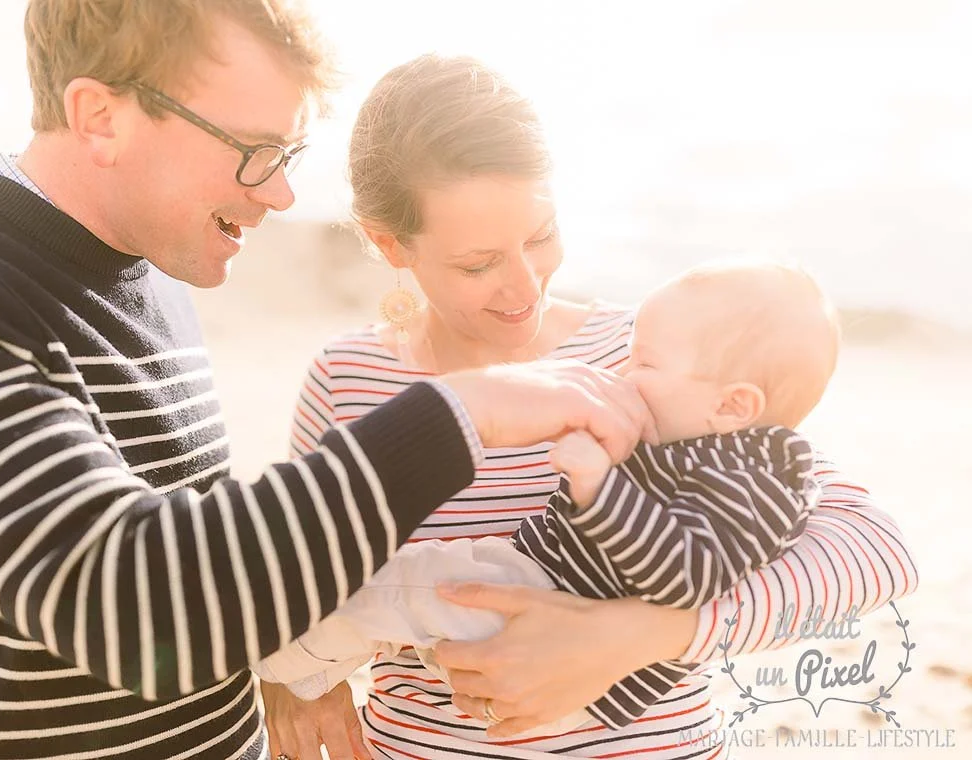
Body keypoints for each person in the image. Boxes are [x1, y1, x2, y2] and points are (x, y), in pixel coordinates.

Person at [0, 5, 657, 760]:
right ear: (101, 116)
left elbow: (225, 566)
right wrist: (459, 413)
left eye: (289, 153)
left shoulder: (152, 281)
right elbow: (131, 606)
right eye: (256, 152)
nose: (285, 192)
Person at [259, 55, 918, 760]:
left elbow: (876, 553)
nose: (524, 285)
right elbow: (296, 580)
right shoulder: (348, 378)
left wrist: (643, 634)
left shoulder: (648, 356)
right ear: (391, 243)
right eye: (478, 263)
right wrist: (295, 681)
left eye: (540, 237)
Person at [256, 260, 837, 739]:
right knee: (412, 598)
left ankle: (269, 657)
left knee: (405, 584)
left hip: (555, 601)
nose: (625, 371)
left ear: (734, 406)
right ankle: (305, 663)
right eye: (477, 259)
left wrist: (599, 488)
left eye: (645, 364)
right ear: (392, 242)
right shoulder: (699, 431)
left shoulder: (757, 481)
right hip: (538, 594)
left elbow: (686, 576)